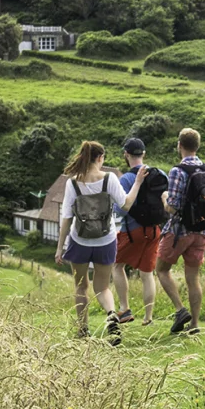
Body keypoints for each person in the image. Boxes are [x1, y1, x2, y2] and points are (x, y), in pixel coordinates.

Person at [58, 140, 151, 338]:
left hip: (80, 240)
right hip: (105, 240)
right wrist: (137, 183)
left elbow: (66, 217)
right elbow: (126, 205)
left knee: (81, 287)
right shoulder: (109, 179)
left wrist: (60, 248)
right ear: (100, 158)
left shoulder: (72, 182)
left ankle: (83, 330)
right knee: (102, 287)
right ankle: (111, 315)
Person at [156, 128, 205, 335]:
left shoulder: (178, 171)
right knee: (193, 278)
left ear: (179, 145)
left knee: (162, 269)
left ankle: (179, 309)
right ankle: (194, 324)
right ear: (197, 146)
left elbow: (172, 207)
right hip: (201, 231)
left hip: (178, 231)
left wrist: (165, 197)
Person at [108, 136, 165, 333]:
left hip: (132, 231)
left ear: (126, 154)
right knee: (147, 273)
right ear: (144, 154)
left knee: (117, 265)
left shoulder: (126, 179)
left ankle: (125, 309)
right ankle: (148, 317)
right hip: (155, 230)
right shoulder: (159, 173)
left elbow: (121, 210)